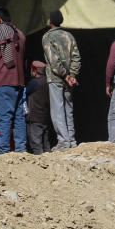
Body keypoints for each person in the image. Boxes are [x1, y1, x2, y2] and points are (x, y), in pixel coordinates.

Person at [0, 6, 26, 154]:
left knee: (4, 117)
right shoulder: (19, 33)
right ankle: (21, 149)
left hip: (5, 80)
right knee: (19, 117)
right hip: (19, 81)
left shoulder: (0, 30)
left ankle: (4, 151)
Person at [41, 10, 80, 150]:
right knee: (68, 109)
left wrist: (64, 76)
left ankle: (63, 142)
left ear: (50, 21)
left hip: (56, 78)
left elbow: (53, 60)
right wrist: (72, 76)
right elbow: (76, 57)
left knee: (57, 110)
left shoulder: (47, 37)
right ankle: (71, 140)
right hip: (69, 80)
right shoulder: (69, 36)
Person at [25, 61, 51, 154]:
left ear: (34, 71)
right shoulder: (48, 81)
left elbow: (24, 93)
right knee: (46, 143)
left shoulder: (34, 83)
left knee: (36, 144)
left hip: (35, 118)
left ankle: (39, 165)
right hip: (45, 117)